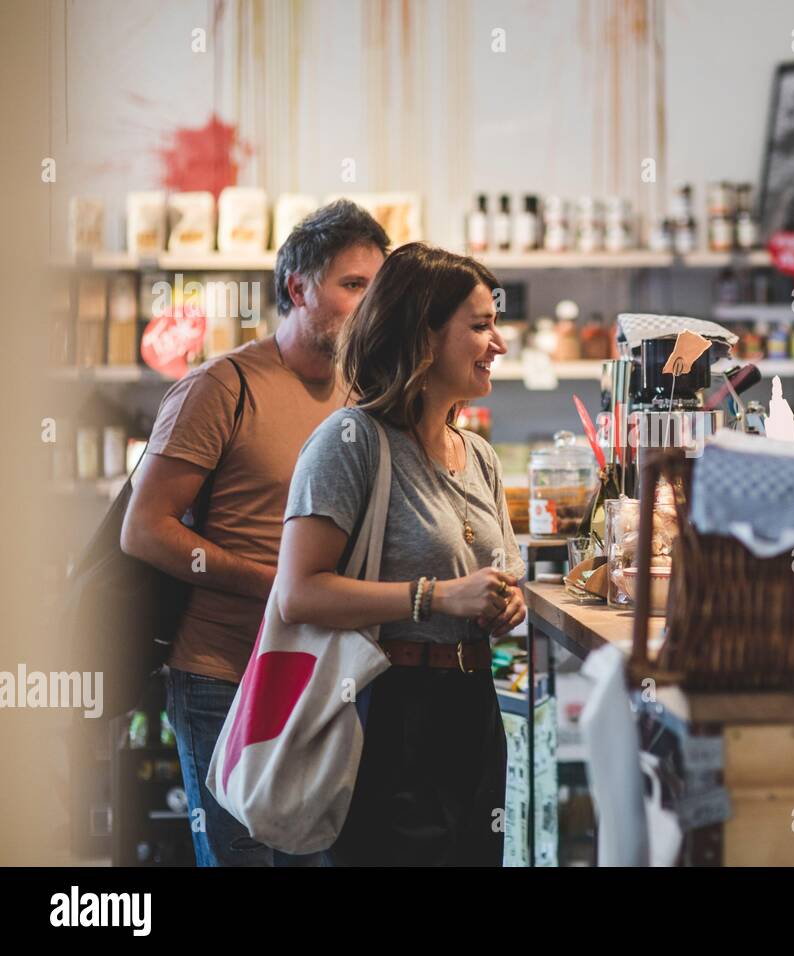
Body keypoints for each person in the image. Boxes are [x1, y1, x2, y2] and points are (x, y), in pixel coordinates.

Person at [121, 200, 389, 865]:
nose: (367, 305)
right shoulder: (222, 387)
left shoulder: (363, 393)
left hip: (328, 678)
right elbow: (145, 530)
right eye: (353, 285)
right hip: (225, 675)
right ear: (298, 288)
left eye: (376, 291)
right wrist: (278, 585)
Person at [276, 243, 526, 866]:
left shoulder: (480, 457)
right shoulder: (351, 440)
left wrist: (504, 602)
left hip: (473, 708)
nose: (499, 343)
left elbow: (497, 576)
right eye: (481, 326)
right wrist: (436, 597)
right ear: (423, 336)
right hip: (386, 711)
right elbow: (298, 591)